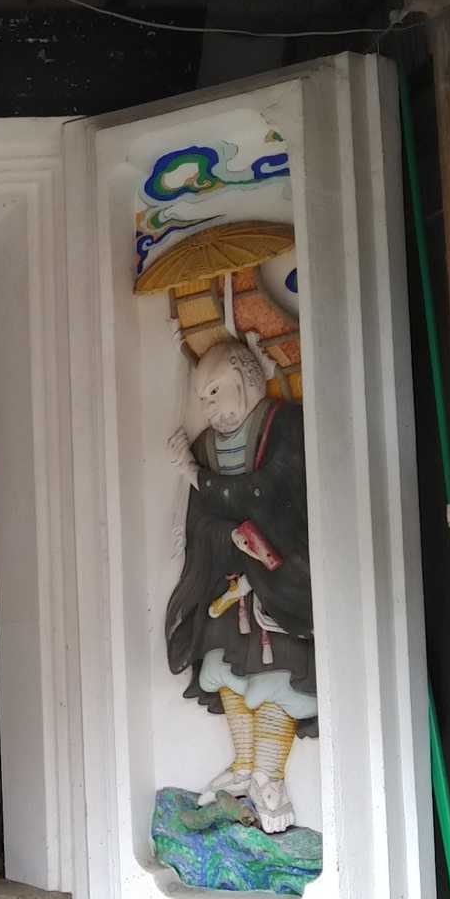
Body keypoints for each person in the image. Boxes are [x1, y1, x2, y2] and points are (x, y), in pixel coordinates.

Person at [164, 338, 315, 834]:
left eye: (215, 393)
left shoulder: (286, 427)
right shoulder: (206, 447)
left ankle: (271, 776)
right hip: (228, 580)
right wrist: (226, 535)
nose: (210, 409)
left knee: (277, 674)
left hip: (281, 581)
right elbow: (202, 522)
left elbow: (267, 493)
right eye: (202, 400)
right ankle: (245, 763)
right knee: (224, 666)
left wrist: (197, 477)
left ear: (247, 379)